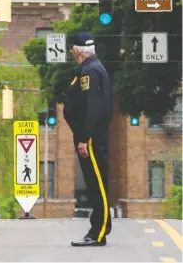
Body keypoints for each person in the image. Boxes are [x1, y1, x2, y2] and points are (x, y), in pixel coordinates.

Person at [64, 31, 112, 247]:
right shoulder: (90, 68)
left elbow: (94, 108)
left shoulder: (90, 72)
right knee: (94, 184)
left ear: (76, 51)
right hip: (88, 135)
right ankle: (100, 227)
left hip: (90, 137)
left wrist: (84, 137)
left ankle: (98, 232)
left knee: (96, 184)